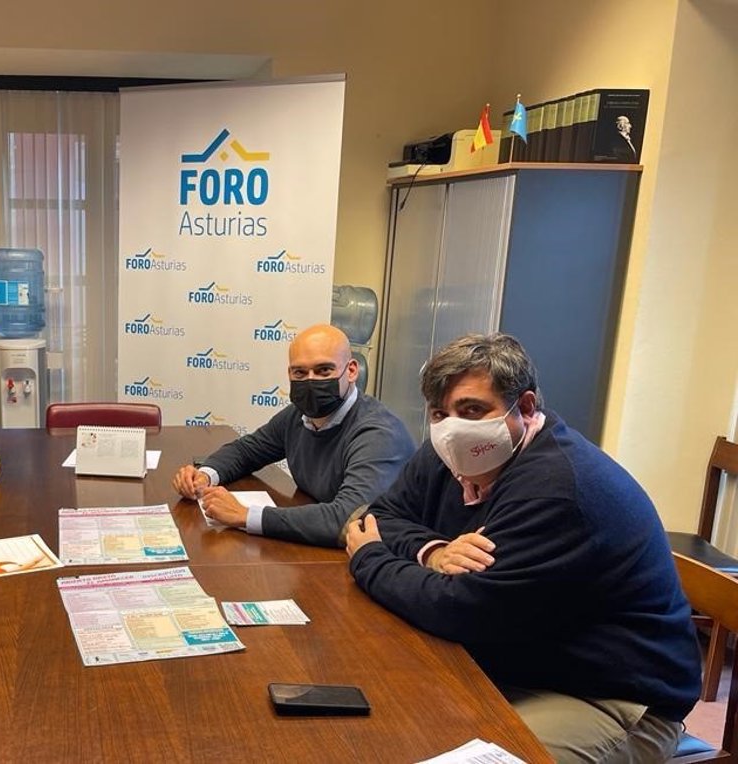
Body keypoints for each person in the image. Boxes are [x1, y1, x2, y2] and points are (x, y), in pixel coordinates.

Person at [344, 333, 700, 762]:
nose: (453, 428)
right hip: (516, 658)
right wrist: (433, 551)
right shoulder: (449, 453)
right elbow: (380, 517)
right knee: (378, 721)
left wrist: (371, 559)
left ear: (526, 407)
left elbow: (461, 609)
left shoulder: (558, 489)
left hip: (609, 697)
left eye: (473, 410)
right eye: (440, 413)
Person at [171, 324, 415, 547]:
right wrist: (205, 475)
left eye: (323, 371)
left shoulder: (379, 434)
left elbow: (346, 520)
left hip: (387, 555)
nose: (311, 381)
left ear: (351, 371)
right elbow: (248, 450)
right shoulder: (297, 416)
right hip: (322, 549)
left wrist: (245, 515)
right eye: (300, 373)